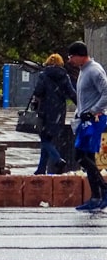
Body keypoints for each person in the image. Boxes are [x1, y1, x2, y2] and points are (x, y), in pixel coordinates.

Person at [67, 41, 107, 211]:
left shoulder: (94, 70)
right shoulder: (84, 71)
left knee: (81, 156)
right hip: (85, 121)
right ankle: (97, 196)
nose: (70, 60)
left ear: (80, 55)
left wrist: (93, 110)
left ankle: (103, 191)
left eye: (71, 56)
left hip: (95, 120)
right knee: (86, 157)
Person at [30, 53, 77, 175]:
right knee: (48, 139)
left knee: (45, 139)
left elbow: (38, 92)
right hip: (59, 112)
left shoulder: (44, 75)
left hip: (45, 111)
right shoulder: (64, 76)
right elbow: (71, 93)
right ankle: (41, 169)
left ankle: (58, 159)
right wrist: (81, 106)